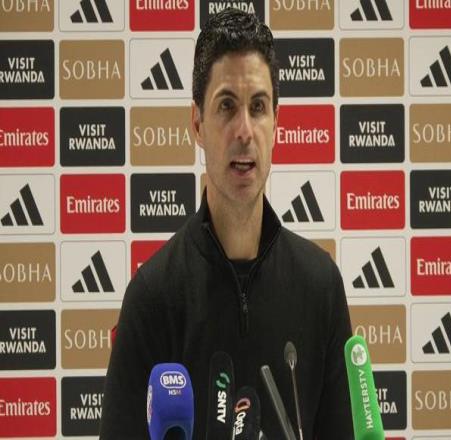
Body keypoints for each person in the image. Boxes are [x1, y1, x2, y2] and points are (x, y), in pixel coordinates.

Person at [100, 8, 353, 439]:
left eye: (258, 107)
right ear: (197, 124)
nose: (244, 130)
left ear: (277, 123)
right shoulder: (153, 297)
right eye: (227, 106)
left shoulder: (321, 286)